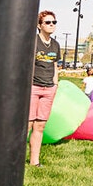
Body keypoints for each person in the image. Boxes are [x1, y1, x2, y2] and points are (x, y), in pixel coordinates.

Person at [28, 10, 60, 167]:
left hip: (48, 89)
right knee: (27, 125)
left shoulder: (55, 45)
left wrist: (55, 84)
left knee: (40, 125)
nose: (52, 25)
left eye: (54, 22)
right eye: (48, 22)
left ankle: (35, 161)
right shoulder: (32, 42)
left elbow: (55, 65)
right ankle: (15, 159)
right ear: (39, 25)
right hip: (32, 87)